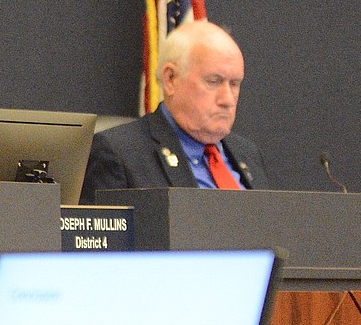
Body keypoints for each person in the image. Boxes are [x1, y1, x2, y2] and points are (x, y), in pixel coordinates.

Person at [80, 20, 272, 204]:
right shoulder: (119, 154)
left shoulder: (247, 153)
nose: (227, 100)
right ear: (171, 79)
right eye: (214, 81)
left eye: (234, 84)